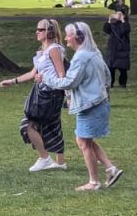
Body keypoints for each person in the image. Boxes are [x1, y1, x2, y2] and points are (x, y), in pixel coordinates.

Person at [50, 21, 123, 191]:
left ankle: (94, 181)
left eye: (68, 35)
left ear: (78, 37)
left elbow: (70, 82)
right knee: (83, 139)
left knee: (83, 141)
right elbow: (107, 76)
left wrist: (48, 79)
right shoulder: (93, 52)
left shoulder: (82, 56)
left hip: (90, 105)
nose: (66, 38)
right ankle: (111, 169)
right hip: (98, 102)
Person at [0, 17, 67, 173]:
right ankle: (60, 162)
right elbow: (32, 73)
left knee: (27, 124)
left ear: (49, 32)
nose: (37, 32)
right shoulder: (42, 51)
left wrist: (48, 81)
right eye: (37, 29)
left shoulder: (54, 49)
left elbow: (61, 74)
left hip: (51, 93)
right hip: (43, 92)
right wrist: (13, 81)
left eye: (41, 29)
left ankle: (44, 158)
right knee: (52, 125)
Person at [103, 9, 131, 88]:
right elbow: (106, 29)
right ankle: (110, 83)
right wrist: (109, 20)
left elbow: (125, 30)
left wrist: (122, 19)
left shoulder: (125, 24)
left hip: (122, 49)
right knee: (111, 68)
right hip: (113, 49)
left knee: (123, 69)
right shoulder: (113, 24)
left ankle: (122, 83)